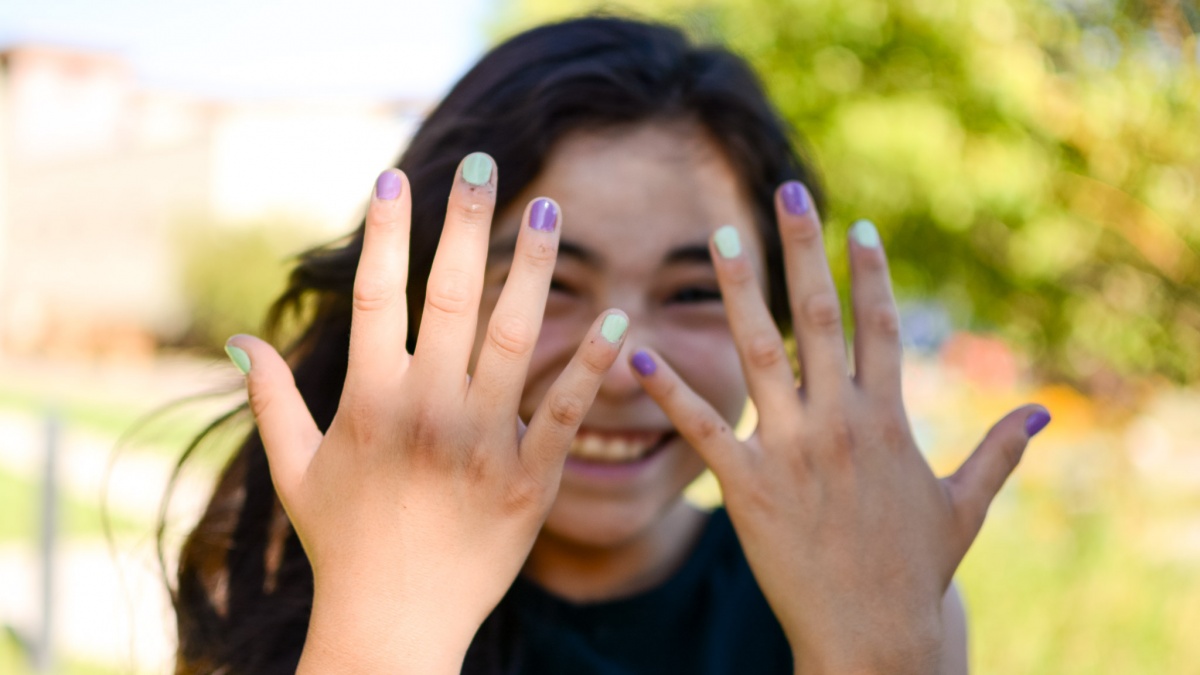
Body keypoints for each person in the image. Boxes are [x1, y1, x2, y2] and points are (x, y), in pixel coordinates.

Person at [169, 16, 1051, 675]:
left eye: (696, 291)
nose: (617, 364)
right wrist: (384, 625)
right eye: (548, 283)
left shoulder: (878, 592)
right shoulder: (283, 568)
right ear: (425, 296)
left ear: (776, 324)